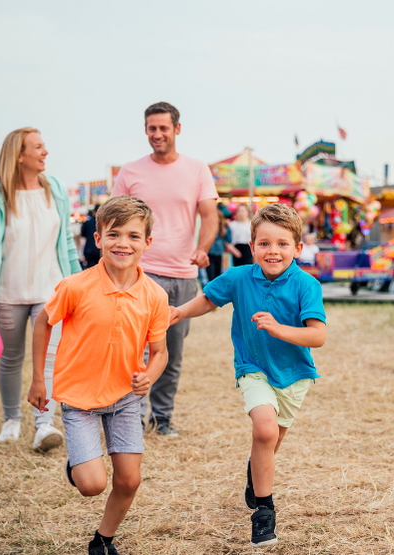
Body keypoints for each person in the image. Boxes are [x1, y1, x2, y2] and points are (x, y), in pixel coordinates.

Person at [169, 203, 326, 547]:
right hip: (252, 367)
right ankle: (264, 512)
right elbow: (209, 299)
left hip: (294, 375)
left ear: (298, 248)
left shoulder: (307, 285)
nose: (273, 251)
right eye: (265, 243)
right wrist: (178, 313)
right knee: (264, 430)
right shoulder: (239, 277)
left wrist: (279, 328)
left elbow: (318, 336)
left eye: (282, 244)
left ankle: (255, 472)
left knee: (270, 442)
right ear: (252, 246)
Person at [28, 196, 169, 555]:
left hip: (125, 399)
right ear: (98, 238)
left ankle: (102, 540)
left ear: (147, 242)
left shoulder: (155, 295)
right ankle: (78, 464)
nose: (123, 243)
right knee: (91, 485)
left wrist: (149, 376)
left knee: (129, 480)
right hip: (79, 400)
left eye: (134, 236)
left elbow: (160, 352)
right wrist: (38, 380)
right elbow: (43, 322)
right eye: (114, 234)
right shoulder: (76, 285)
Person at [0, 127, 81, 450]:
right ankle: (12, 418)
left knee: (49, 359)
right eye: (38, 147)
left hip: (51, 290)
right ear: (19, 156)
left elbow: (66, 243)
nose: (45, 152)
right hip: (8, 292)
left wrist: (80, 281)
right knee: (11, 357)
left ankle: (44, 425)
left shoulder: (55, 189)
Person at [110, 101, 218, 437]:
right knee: (136, 350)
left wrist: (202, 249)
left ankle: (162, 417)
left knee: (170, 351)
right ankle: (132, 418)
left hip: (183, 275)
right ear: (145, 130)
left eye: (163, 128)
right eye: (151, 129)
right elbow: (113, 217)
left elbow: (209, 216)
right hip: (140, 274)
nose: (157, 134)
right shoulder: (130, 172)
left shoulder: (197, 169)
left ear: (177, 129)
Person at [207, 209, 239, 282]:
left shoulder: (224, 229)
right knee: (211, 276)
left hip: (220, 254)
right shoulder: (209, 228)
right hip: (210, 254)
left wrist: (228, 227)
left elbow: (229, 240)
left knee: (218, 275)